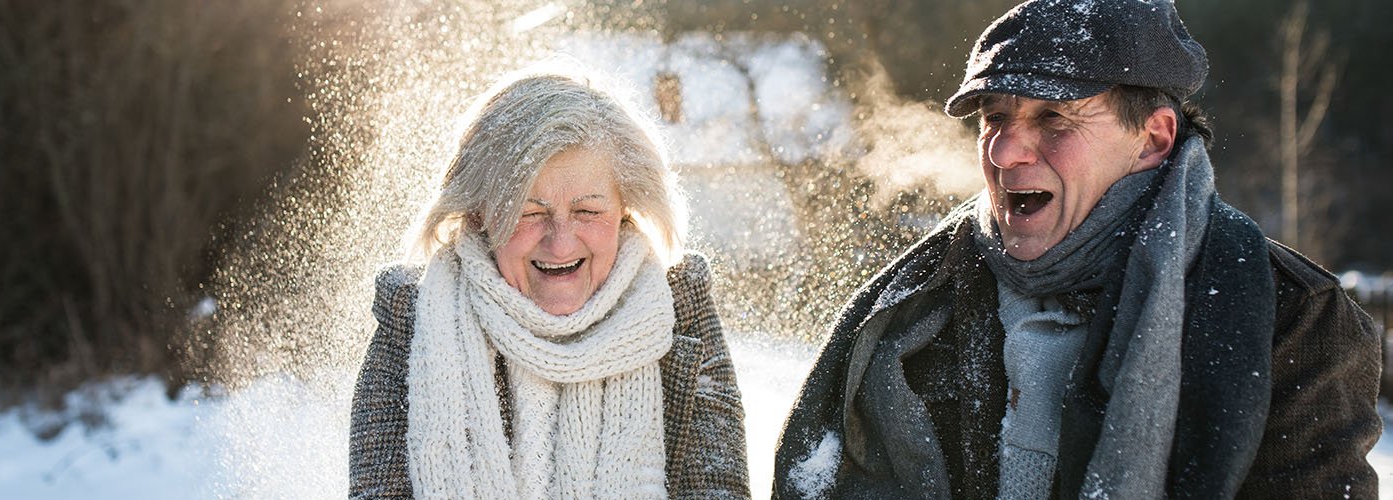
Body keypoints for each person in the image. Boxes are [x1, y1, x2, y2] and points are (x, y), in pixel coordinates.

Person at [773, 0, 1382, 498]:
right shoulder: (917, 308)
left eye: (1054, 120)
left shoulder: (1293, 317)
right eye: (994, 117)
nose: (1005, 152)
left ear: (1153, 139)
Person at [349, 68, 750, 499]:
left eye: (588, 211)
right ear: (480, 214)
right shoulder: (415, 316)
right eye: (529, 211)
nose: (560, 242)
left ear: (624, 210)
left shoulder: (679, 309)